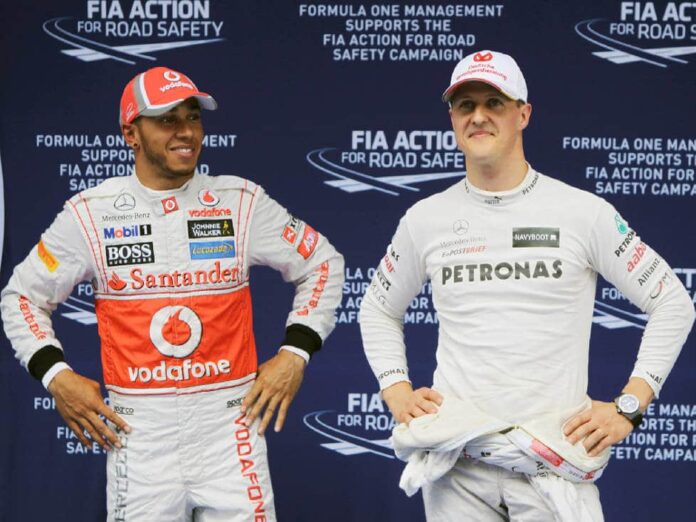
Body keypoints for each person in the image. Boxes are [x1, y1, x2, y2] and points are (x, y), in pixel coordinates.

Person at [359, 50, 694, 520]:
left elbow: (673, 302)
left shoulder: (582, 213)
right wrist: (396, 387)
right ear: (452, 119)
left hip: (553, 466)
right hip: (457, 471)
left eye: (494, 103)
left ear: (524, 114)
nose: (478, 116)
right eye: (465, 105)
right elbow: (377, 308)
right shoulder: (425, 219)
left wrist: (629, 405)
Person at [1, 66, 344, 521]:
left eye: (193, 117)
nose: (186, 132)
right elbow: (22, 297)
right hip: (141, 439)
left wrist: (295, 353)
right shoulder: (91, 214)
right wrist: (56, 376)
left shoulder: (239, 202)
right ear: (131, 133)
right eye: (167, 120)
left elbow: (322, 262)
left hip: (230, 431)